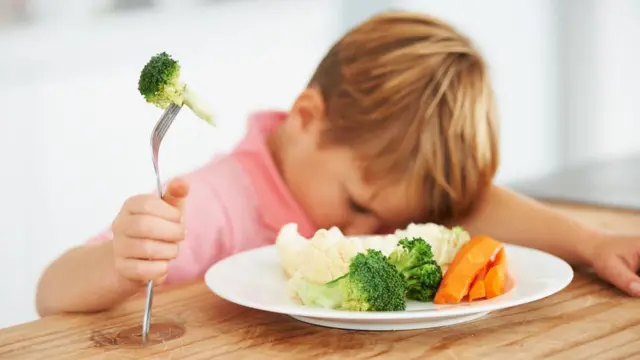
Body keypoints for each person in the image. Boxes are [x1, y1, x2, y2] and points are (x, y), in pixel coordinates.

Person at [35, 11, 640, 316]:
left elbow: (475, 204)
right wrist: (120, 262)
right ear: (306, 114)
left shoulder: (370, 180)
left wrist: (591, 242)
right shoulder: (218, 202)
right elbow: (50, 294)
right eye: (358, 206)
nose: (363, 231)